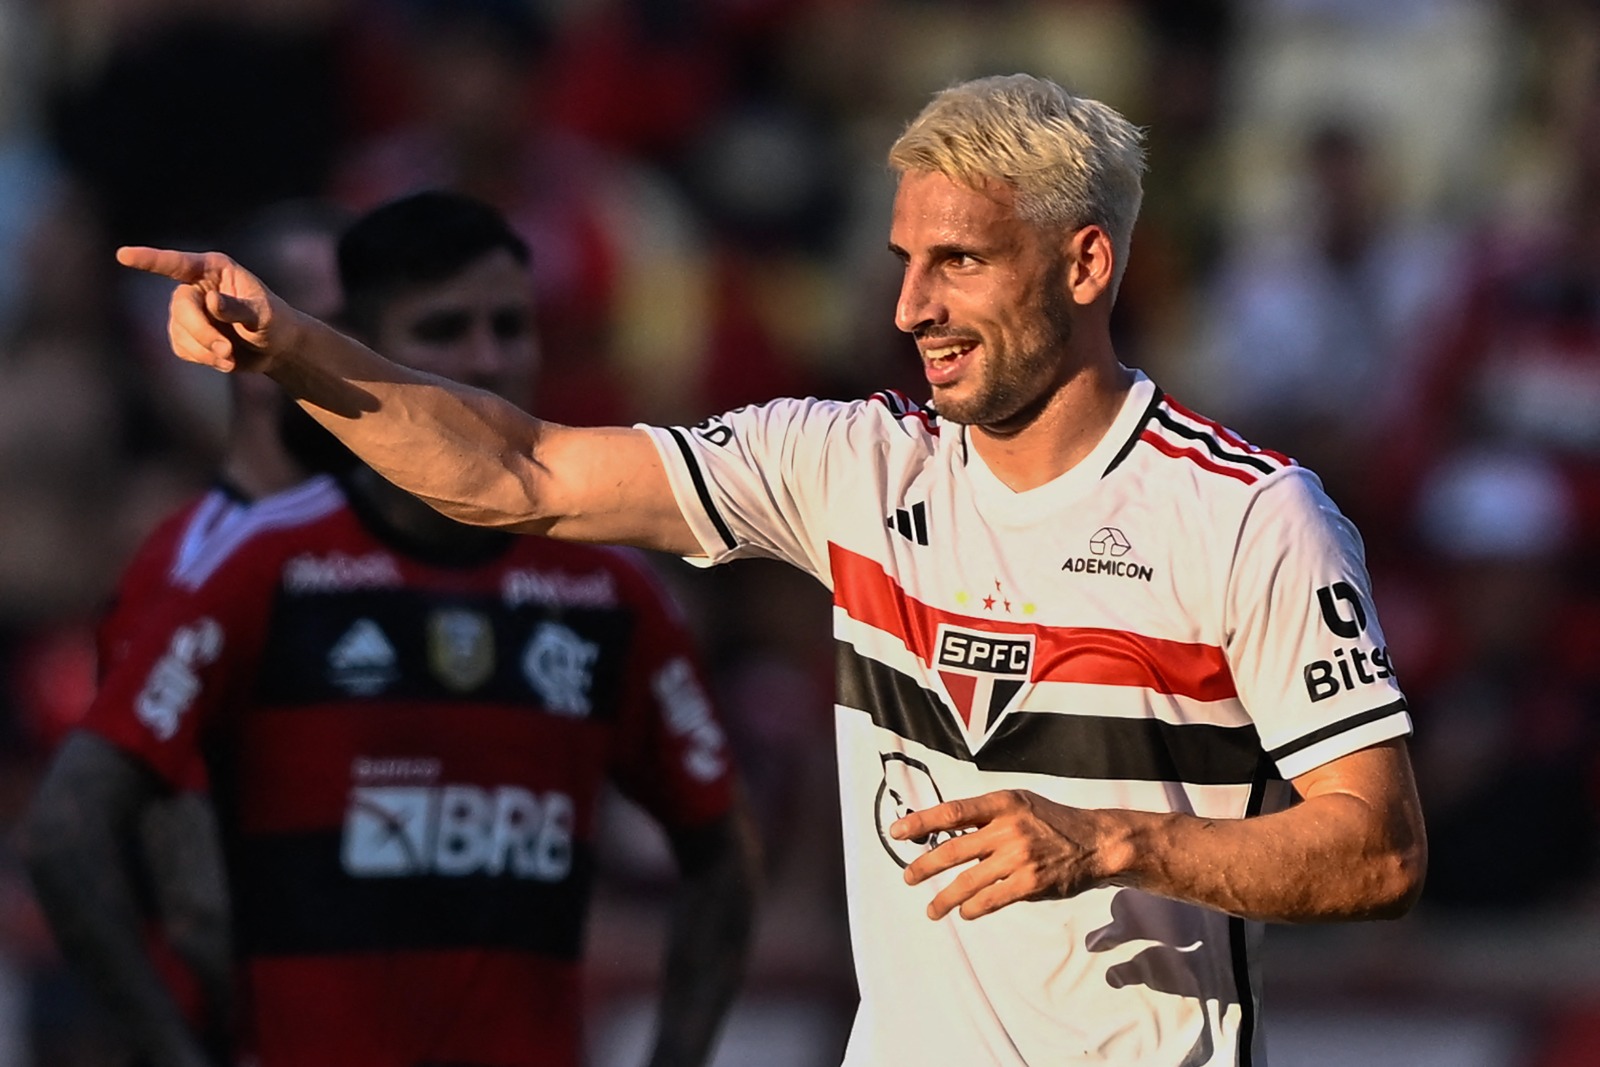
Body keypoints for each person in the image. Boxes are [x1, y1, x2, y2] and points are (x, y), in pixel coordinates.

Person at [115, 75, 1425, 1066]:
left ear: (1088, 262)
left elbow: (1375, 849)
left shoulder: (1252, 514)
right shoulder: (849, 461)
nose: (912, 303)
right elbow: (520, 469)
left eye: (959, 260)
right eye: (905, 259)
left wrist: (1110, 838)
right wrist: (292, 350)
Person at [27, 190, 758, 1067]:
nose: (485, 358)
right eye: (445, 330)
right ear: (361, 357)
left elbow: (724, 851)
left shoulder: (611, 591)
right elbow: (69, 827)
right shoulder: (260, 565)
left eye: (510, 325)